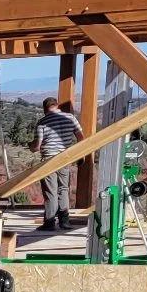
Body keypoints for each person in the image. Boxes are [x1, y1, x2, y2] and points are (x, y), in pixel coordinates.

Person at [33, 96, 83, 230]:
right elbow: (81, 137)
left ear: (45, 108)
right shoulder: (70, 118)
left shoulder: (42, 121)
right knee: (63, 189)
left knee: (51, 192)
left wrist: (30, 146)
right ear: (57, 105)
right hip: (65, 158)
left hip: (48, 160)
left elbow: (37, 146)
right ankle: (64, 221)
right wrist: (80, 154)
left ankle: (49, 222)